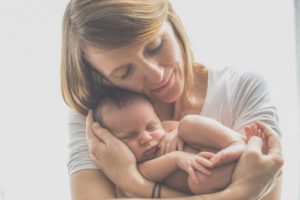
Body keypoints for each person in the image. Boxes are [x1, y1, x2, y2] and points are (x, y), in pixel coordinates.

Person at [60, 0, 284, 199]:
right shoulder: (99, 118)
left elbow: (266, 187)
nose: (156, 74)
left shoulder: (240, 90)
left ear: (171, 20)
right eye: (124, 72)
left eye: (155, 46)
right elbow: (252, 188)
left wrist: (134, 183)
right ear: (103, 79)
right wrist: (240, 193)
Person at [93, 88, 246, 195]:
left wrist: (177, 132)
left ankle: (235, 142)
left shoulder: (166, 128)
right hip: (215, 175)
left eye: (151, 127)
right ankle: (244, 162)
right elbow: (147, 175)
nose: (146, 139)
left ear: (157, 117)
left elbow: (193, 130)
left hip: (216, 151)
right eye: (129, 136)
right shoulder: (138, 167)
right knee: (198, 182)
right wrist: (177, 158)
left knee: (188, 124)